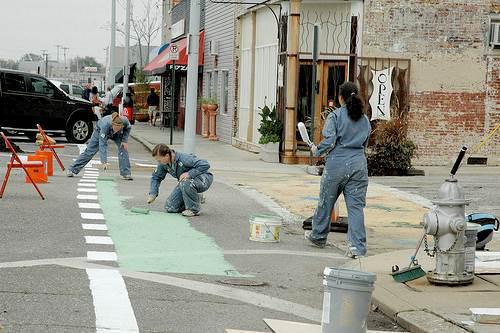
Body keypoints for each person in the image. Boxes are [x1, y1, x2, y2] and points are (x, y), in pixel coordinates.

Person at [305, 81, 371, 259]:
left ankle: (318, 236)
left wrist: (316, 150)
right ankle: (357, 248)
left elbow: (330, 141)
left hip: (337, 164)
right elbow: (366, 143)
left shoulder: (335, 116)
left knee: (326, 200)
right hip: (358, 165)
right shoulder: (364, 119)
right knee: (356, 208)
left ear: (341, 97)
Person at [148, 144, 213, 217]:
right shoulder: (164, 164)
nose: (158, 162)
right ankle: (195, 197)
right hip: (186, 183)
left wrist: (189, 174)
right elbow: (156, 177)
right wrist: (153, 193)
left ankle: (194, 209)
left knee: (185, 181)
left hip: (203, 179)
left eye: (159, 160)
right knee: (170, 207)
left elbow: (205, 164)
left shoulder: (184, 158)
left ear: (166, 156)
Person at [67, 112, 133, 180]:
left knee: (123, 148)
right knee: (90, 151)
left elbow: (128, 128)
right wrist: (104, 161)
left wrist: (124, 140)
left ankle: (126, 173)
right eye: (115, 129)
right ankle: (72, 169)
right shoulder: (105, 125)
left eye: (118, 129)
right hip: (99, 131)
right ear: (112, 125)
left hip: (118, 135)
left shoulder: (125, 121)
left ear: (122, 126)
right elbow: (102, 144)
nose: (116, 131)